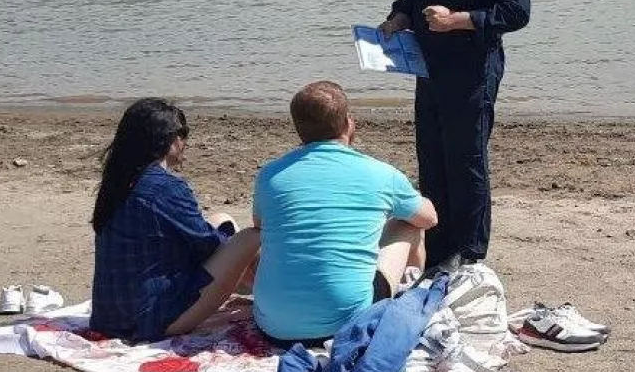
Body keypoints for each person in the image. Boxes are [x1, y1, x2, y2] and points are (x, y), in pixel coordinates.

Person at [377, 0, 530, 273]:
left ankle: (468, 251)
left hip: (473, 66)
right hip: (428, 65)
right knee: (432, 155)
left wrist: (457, 20)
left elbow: (518, 11)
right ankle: (438, 243)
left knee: (465, 159)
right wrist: (397, 19)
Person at [251, 80, 438, 343]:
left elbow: (259, 224)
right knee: (409, 224)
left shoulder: (270, 175)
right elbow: (429, 218)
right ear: (349, 123)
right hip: (346, 324)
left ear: (299, 129)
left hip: (273, 326)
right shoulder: (380, 173)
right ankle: (412, 291)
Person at [89, 98, 262, 343]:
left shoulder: (117, 182)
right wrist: (241, 249)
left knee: (221, 219)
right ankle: (275, 296)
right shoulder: (165, 188)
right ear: (167, 139)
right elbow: (210, 245)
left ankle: (258, 288)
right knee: (250, 238)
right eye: (183, 134)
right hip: (150, 320)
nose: (185, 143)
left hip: (109, 316)